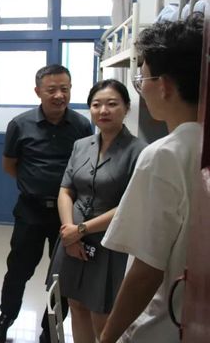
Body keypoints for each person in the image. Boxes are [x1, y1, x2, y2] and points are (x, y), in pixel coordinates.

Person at [100, 15, 203, 343]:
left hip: (167, 326)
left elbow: (146, 272)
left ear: (164, 85)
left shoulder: (163, 155)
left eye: (141, 78)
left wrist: (107, 338)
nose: (141, 88)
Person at [0, 64, 93, 343]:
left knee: (62, 274)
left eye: (65, 89)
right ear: (38, 92)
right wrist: (36, 185)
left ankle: (50, 328)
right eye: (52, 90)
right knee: (18, 269)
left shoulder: (82, 125)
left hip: (67, 214)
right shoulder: (20, 124)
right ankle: (6, 318)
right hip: (31, 211)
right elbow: (10, 165)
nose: (59, 95)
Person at [48, 79, 146, 343]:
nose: (103, 110)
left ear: (126, 107)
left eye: (112, 104)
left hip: (108, 240)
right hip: (71, 237)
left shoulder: (139, 151)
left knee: (101, 312)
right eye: (96, 104)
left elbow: (129, 205)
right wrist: (69, 233)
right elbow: (66, 190)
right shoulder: (81, 145)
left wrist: (80, 230)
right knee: (76, 304)